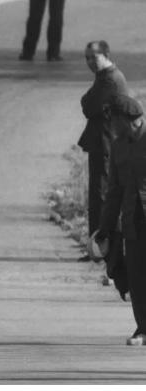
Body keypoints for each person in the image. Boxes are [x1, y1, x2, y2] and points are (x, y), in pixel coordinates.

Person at [93, 94, 146, 345]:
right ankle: (143, 329)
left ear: (127, 120)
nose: (111, 125)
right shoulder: (118, 147)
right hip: (132, 221)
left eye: (114, 120)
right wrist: (104, 229)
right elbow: (113, 191)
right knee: (136, 276)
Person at [77, 41, 128, 260]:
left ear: (106, 55)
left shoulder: (110, 79)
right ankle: (97, 247)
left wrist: (87, 101)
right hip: (102, 144)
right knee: (98, 196)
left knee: (102, 197)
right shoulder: (104, 77)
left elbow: (89, 106)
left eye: (94, 57)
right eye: (87, 57)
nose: (89, 62)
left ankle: (102, 249)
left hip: (106, 145)